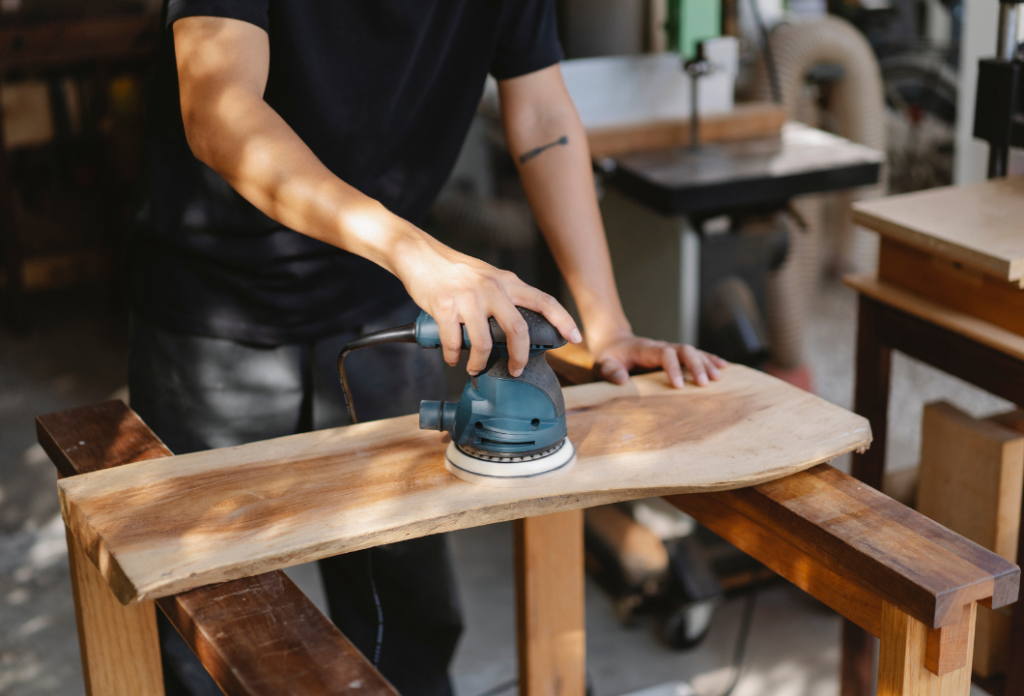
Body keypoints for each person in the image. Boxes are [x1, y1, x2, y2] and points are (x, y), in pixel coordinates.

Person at [129, 1, 727, 694]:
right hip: (214, 306)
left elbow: (540, 116)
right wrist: (414, 252)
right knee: (205, 620)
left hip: (383, 291)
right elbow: (218, 111)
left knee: (407, 615)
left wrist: (607, 324)